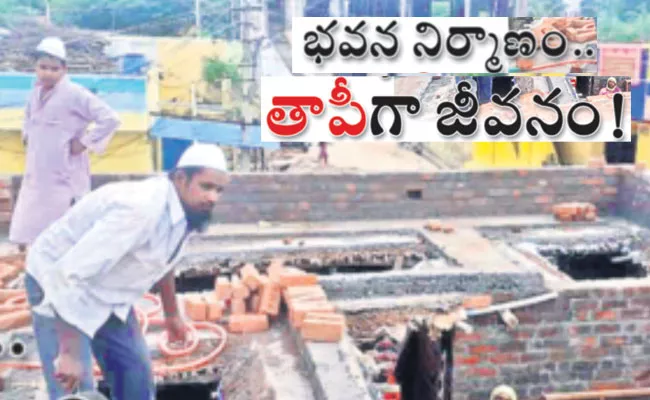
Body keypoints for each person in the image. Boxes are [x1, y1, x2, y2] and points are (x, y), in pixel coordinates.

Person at [25, 143, 230, 400]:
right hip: (56, 286)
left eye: (219, 190)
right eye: (206, 186)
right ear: (180, 178)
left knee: (135, 376)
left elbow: (164, 261)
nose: (213, 198)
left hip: (108, 294)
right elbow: (67, 276)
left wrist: (171, 316)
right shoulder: (140, 210)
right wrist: (69, 352)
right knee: (74, 387)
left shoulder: (186, 213)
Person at [9, 37, 120, 253]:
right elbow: (28, 118)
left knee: (65, 235)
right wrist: (28, 136)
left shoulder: (75, 93)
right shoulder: (35, 91)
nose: (48, 73)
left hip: (64, 175)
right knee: (28, 231)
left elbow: (110, 118)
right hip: (37, 172)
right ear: (36, 67)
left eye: (54, 69)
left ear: (64, 69)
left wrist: (84, 143)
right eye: (43, 67)